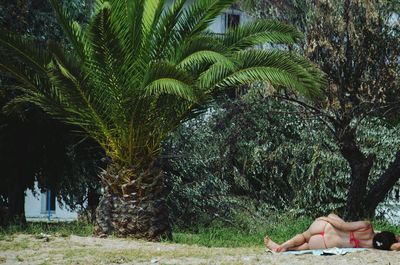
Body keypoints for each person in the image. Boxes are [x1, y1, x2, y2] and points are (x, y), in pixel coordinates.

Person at [264, 213, 400, 252]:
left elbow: (342, 225)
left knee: (304, 236)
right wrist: (394, 242)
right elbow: (394, 246)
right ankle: (282, 249)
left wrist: (326, 218)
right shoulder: (374, 246)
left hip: (326, 228)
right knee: (304, 247)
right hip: (324, 243)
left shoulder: (367, 226)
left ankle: (283, 245)